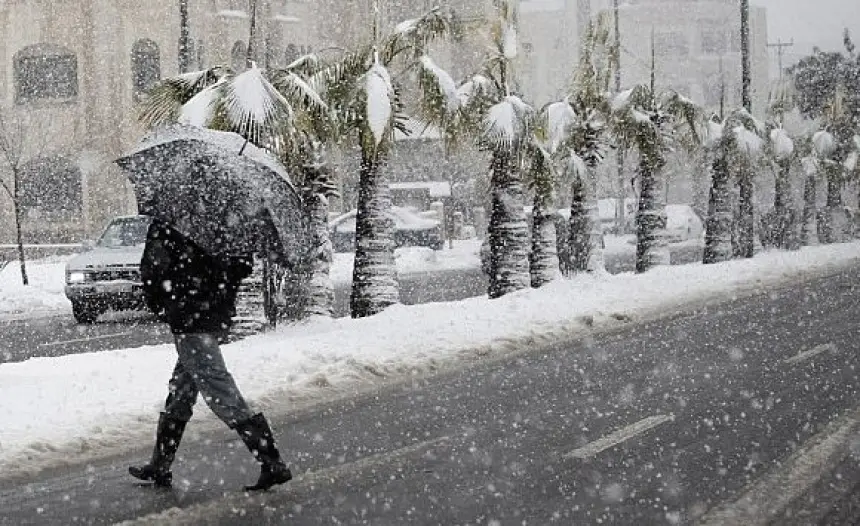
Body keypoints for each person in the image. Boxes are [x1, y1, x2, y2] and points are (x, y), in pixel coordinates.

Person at [129, 219, 292, 491]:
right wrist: (215, 287)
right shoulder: (228, 218)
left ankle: (272, 462)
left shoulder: (171, 219)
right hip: (213, 315)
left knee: (220, 390)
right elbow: (241, 266)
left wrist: (164, 303)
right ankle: (160, 466)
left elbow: (152, 270)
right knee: (182, 388)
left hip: (189, 319)